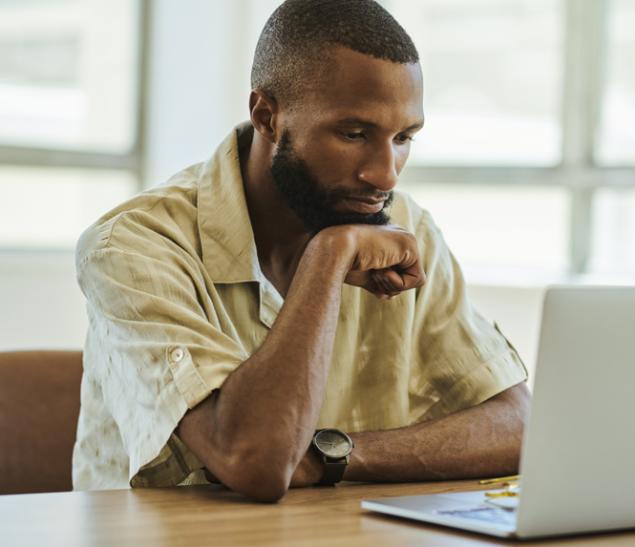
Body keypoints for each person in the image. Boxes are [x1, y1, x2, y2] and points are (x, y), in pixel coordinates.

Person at [73, 0, 530, 502]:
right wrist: (330, 255)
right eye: (354, 134)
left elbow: (520, 425)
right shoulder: (132, 246)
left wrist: (331, 455)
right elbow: (255, 460)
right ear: (267, 116)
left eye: (403, 137)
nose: (386, 174)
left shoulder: (408, 227)